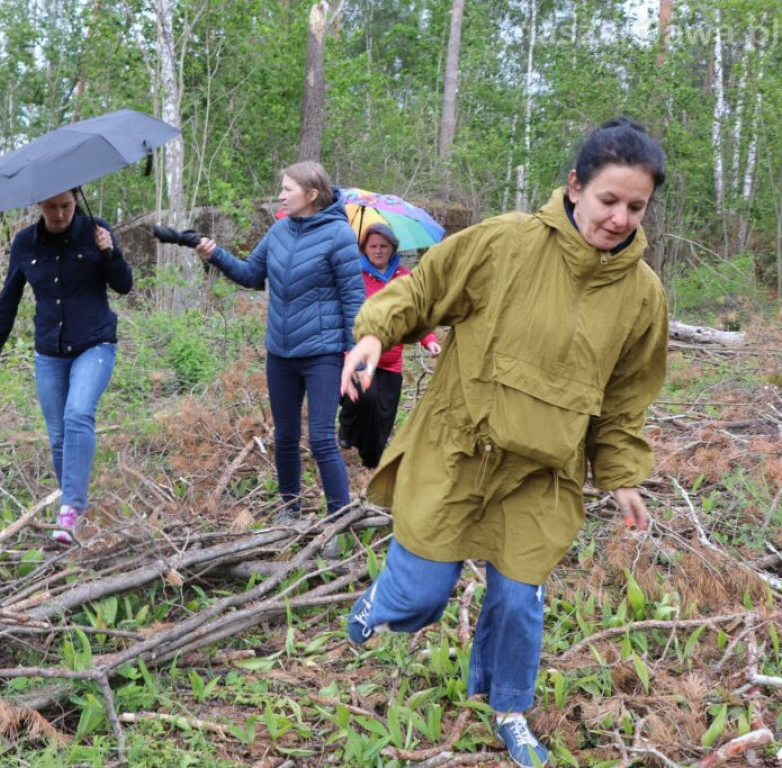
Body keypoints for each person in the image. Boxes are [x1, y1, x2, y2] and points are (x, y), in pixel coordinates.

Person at [340, 117, 668, 767]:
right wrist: (377, 334)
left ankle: (509, 708)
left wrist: (623, 474)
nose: (619, 218)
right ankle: (384, 600)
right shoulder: (505, 244)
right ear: (575, 187)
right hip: (458, 452)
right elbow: (422, 291)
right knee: (421, 600)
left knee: (519, 601)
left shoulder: (642, 297)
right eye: (608, 200)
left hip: (540, 477)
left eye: (636, 206)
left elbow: (625, 401)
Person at [194, 161, 363, 532]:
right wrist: (215, 254)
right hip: (281, 353)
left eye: (288, 189)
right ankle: (291, 510)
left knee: (321, 438)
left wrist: (358, 357)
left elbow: (355, 300)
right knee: (285, 435)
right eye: (282, 188)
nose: (281, 195)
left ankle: (339, 521)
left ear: (312, 195)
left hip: (323, 352)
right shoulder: (279, 230)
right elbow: (252, 275)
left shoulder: (339, 236)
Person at [0, 188, 132, 544]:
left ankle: (71, 508)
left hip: (95, 343)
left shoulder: (96, 231)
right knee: (59, 436)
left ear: (75, 201)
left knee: (78, 414)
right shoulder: (25, 243)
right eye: (52, 207)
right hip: (49, 350)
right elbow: (9, 298)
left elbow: (124, 285)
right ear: (40, 206)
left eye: (66, 206)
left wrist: (109, 251)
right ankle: (75, 520)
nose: (60, 214)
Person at [338, 223, 441, 469]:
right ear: (364, 248)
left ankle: (371, 460)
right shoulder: (355, 275)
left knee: (383, 418)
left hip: (392, 360)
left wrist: (430, 341)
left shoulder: (405, 277)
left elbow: (416, 314)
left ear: (393, 248)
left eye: (384, 246)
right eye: (373, 246)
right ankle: (348, 429)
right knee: (366, 397)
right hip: (360, 356)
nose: (378, 251)